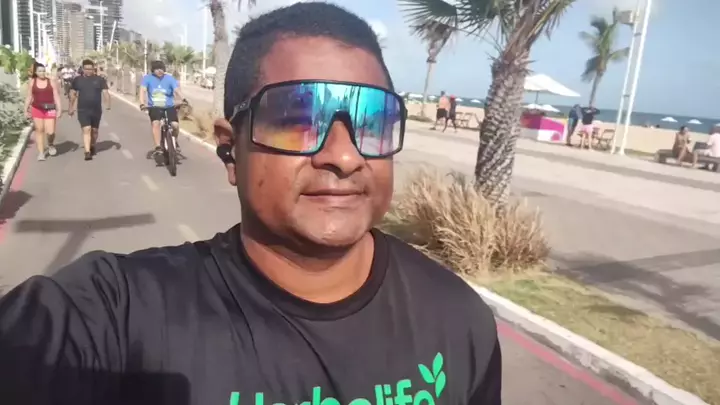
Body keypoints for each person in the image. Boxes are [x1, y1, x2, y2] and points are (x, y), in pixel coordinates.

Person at [0, 3, 501, 405]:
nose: (345, 155)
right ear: (229, 149)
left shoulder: (457, 319)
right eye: (297, 118)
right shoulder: (121, 315)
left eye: (372, 121)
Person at [139, 60, 188, 158]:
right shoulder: (147, 78)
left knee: (175, 125)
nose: (159, 71)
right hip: (154, 107)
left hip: (169, 106)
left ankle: (175, 140)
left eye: (161, 69)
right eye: (157, 69)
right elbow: (142, 91)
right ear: (153, 70)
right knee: (156, 123)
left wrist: (183, 99)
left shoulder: (169, 79)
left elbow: (176, 90)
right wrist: (142, 103)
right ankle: (158, 147)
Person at [68, 59, 111, 161]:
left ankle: (92, 144)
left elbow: (105, 92)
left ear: (93, 69)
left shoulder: (99, 80)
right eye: (86, 69)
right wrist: (71, 107)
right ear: (83, 69)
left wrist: (108, 103)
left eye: (90, 69)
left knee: (94, 131)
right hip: (83, 109)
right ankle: (87, 152)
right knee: (86, 129)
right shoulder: (77, 80)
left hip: (96, 109)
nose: (88, 71)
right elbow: (73, 94)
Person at [23, 62, 62, 161]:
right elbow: (29, 96)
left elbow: (56, 96)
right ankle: (41, 153)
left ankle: (50, 144)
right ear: (36, 72)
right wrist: (25, 110)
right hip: (37, 108)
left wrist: (59, 109)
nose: (42, 73)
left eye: (43, 71)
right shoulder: (32, 82)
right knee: (39, 130)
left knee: (51, 131)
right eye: (40, 71)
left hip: (50, 108)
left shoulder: (51, 82)